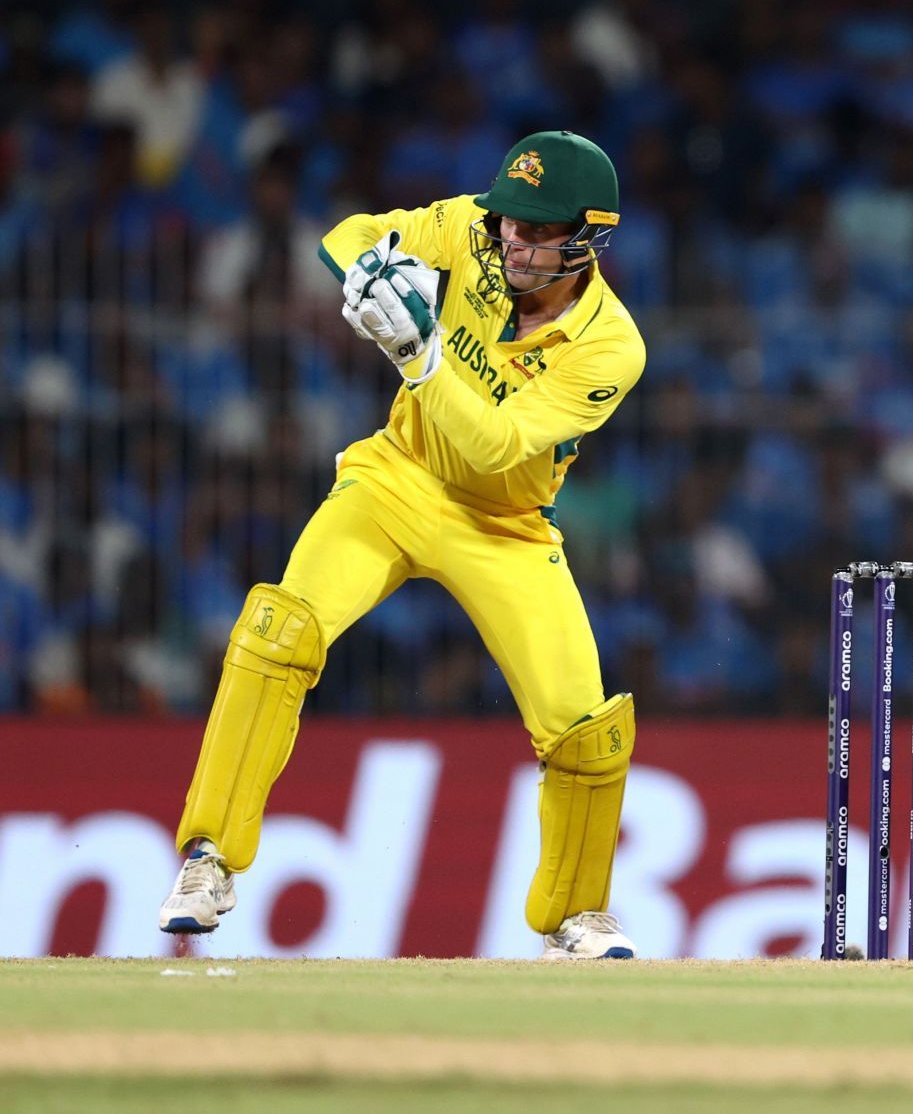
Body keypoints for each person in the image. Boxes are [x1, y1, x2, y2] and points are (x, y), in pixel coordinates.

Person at [159, 131, 648, 959]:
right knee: (283, 627)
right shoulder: (470, 229)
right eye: (508, 224)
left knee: (584, 727)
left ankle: (576, 913)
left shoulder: (610, 346)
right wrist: (372, 273)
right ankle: (208, 857)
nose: (513, 243)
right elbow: (346, 233)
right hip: (397, 477)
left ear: (588, 235)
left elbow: (497, 446)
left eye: (537, 231)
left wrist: (421, 357)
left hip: (506, 525)